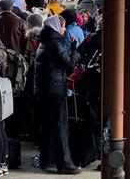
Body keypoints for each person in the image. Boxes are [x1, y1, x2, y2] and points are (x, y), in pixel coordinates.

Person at [34, 15, 82, 175]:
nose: (64, 29)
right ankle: (64, 163)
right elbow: (69, 64)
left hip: (45, 89)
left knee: (47, 125)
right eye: (62, 26)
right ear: (56, 27)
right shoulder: (54, 43)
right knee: (61, 125)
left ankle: (46, 160)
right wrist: (76, 50)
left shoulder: (45, 41)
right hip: (55, 89)